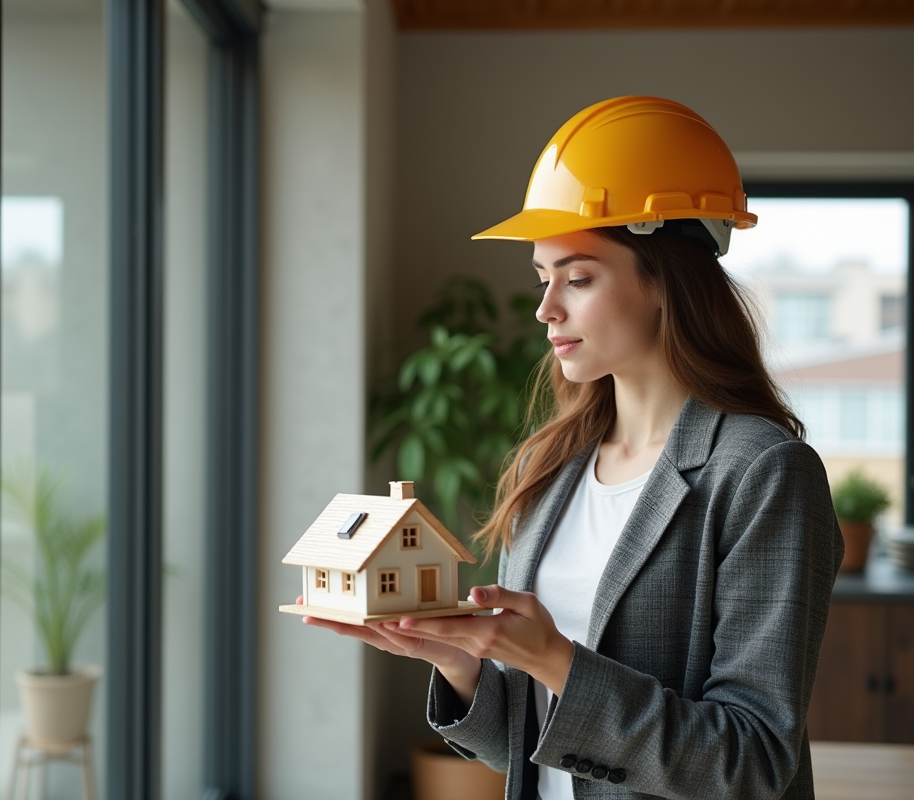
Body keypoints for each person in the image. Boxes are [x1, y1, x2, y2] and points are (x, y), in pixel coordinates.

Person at [300, 96, 843, 799]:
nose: (545, 307)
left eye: (578, 278)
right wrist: (463, 666)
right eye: (542, 278)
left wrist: (558, 661)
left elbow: (753, 762)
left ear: (664, 282)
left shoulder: (762, 473)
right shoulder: (548, 468)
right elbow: (542, 751)